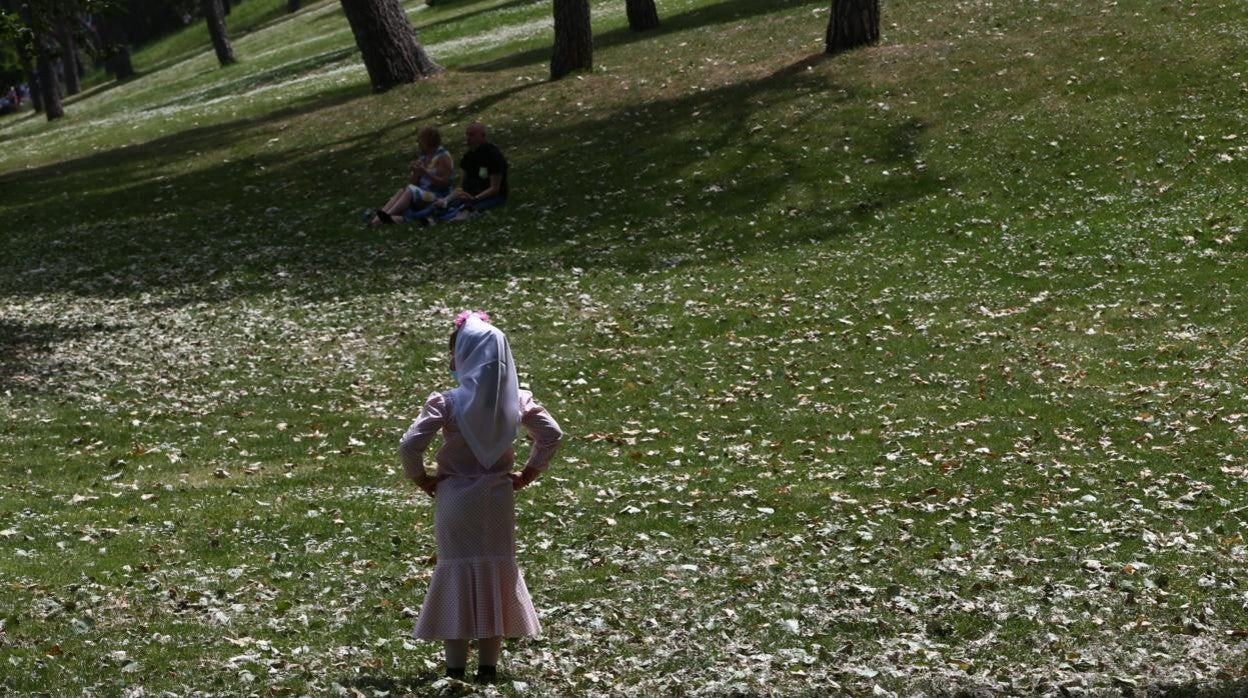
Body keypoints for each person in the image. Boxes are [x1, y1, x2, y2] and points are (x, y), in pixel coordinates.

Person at [399, 310, 563, 683]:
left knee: (456, 573)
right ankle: (488, 668)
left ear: (463, 359)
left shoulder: (448, 402)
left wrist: (420, 478)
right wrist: (530, 471)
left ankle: (455, 667)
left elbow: (410, 444)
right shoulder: (517, 400)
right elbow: (551, 434)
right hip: (498, 497)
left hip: (455, 497)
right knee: (495, 572)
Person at [409, 122, 508, 225]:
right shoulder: (468, 157)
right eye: (467, 135)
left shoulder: (493, 155)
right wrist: (449, 198)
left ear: (482, 135)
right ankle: (414, 217)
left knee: (467, 208)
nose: (468, 138)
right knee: (442, 204)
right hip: (469, 194)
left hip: (490, 197)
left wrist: (474, 198)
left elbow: (494, 189)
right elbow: (461, 185)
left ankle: (440, 220)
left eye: (472, 135)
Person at [371, 125, 454, 225]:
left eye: (420, 139)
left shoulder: (442, 157)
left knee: (410, 191)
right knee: (403, 190)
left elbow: (444, 183)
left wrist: (425, 173)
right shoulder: (424, 157)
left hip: (437, 196)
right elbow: (413, 185)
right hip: (423, 193)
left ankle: (386, 217)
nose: (418, 142)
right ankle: (377, 219)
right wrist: (415, 173)